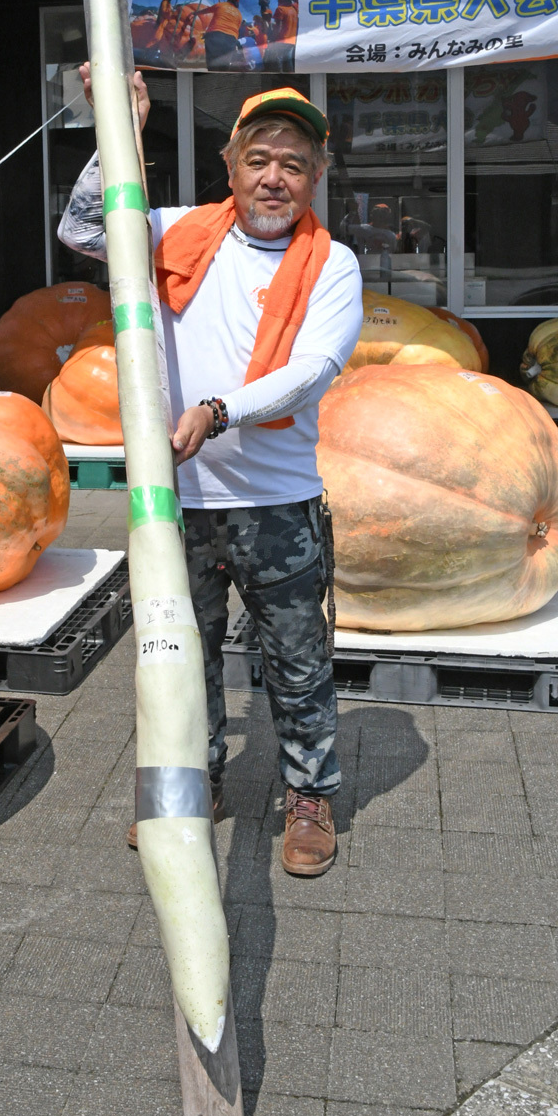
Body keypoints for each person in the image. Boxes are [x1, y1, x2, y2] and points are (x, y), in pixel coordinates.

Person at [59, 71, 363, 876]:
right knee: (179, 660)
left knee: (297, 661)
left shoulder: (333, 267)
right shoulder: (174, 231)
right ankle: (197, 788)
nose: (274, 177)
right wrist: (117, 129)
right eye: (259, 158)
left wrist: (218, 411)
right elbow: (83, 227)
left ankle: (309, 796)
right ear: (229, 164)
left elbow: (309, 372)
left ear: (316, 177)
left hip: (277, 502)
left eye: (293, 164)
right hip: (177, 502)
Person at [200, 0, 245, 70]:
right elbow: (237, 29)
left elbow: (206, 10)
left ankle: (211, 78)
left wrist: (196, 13)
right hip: (230, 38)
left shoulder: (221, 5)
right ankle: (222, 79)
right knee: (224, 66)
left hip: (215, 35)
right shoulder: (239, 14)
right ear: (237, 3)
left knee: (212, 64)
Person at [263, 0, 299, 72]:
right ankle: (289, 81)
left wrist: (272, 39)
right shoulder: (294, 10)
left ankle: (280, 81)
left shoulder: (280, 9)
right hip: (292, 42)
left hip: (282, 41)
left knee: (278, 64)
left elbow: (278, 28)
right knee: (288, 63)